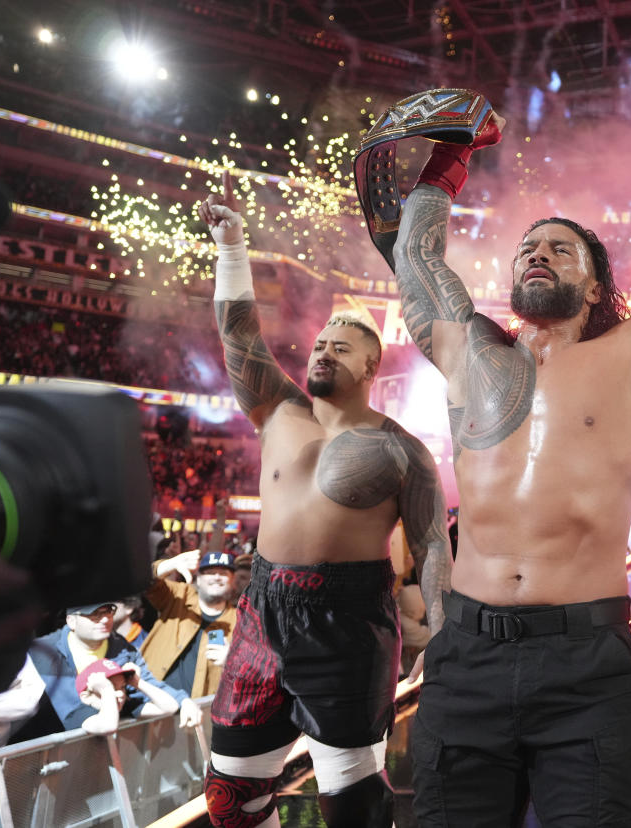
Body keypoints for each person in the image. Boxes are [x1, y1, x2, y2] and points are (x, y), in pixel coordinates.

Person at [381, 72, 631, 826]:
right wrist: (449, 155)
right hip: (466, 660)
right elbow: (415, 260)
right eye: (528, 249)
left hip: (587, 669)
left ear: (597, 280)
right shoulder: (472, 354)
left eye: (561, 249)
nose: (538, 255)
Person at [197, 171, 452, 828]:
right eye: (320, 344)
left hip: (348, 623)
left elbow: (430, 548)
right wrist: (231, 247)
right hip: (264, 607)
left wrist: (447, 637)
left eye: (342, 347)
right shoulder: (277, 409)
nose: (324, 352)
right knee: (231, 799)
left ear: (370, 367)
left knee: (353, 806)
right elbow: (238, 331)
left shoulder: (403, 450)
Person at [26, 602, 198, 738]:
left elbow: (150, 686)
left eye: (108, 611)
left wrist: (183, 701)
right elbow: (76, 715)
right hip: (45, 754)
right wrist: (108, 690)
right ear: (72, 620)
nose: (105, 619)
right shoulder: (45, 652)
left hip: (101, 745)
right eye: (94, 614)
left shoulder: (121, 646)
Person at [140, 549, 239, 698]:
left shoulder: (240, 621)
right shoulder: (179, 595)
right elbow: (145, 581)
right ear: (198, 579)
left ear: (232, 581)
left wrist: (232, 661)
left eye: (224, 573)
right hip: (150, 697)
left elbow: (256, 672)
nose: (217, 577)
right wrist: (169, 565)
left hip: (195, 711)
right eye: (210, 572)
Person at [73, 658, 181, 736]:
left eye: (123, 687)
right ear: (86, 697)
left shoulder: (123, 706)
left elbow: (170, 707)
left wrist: (137, 682)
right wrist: (107, 690)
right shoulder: (80, 713)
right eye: (112, 687)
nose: (120, 694)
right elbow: (108, 726)